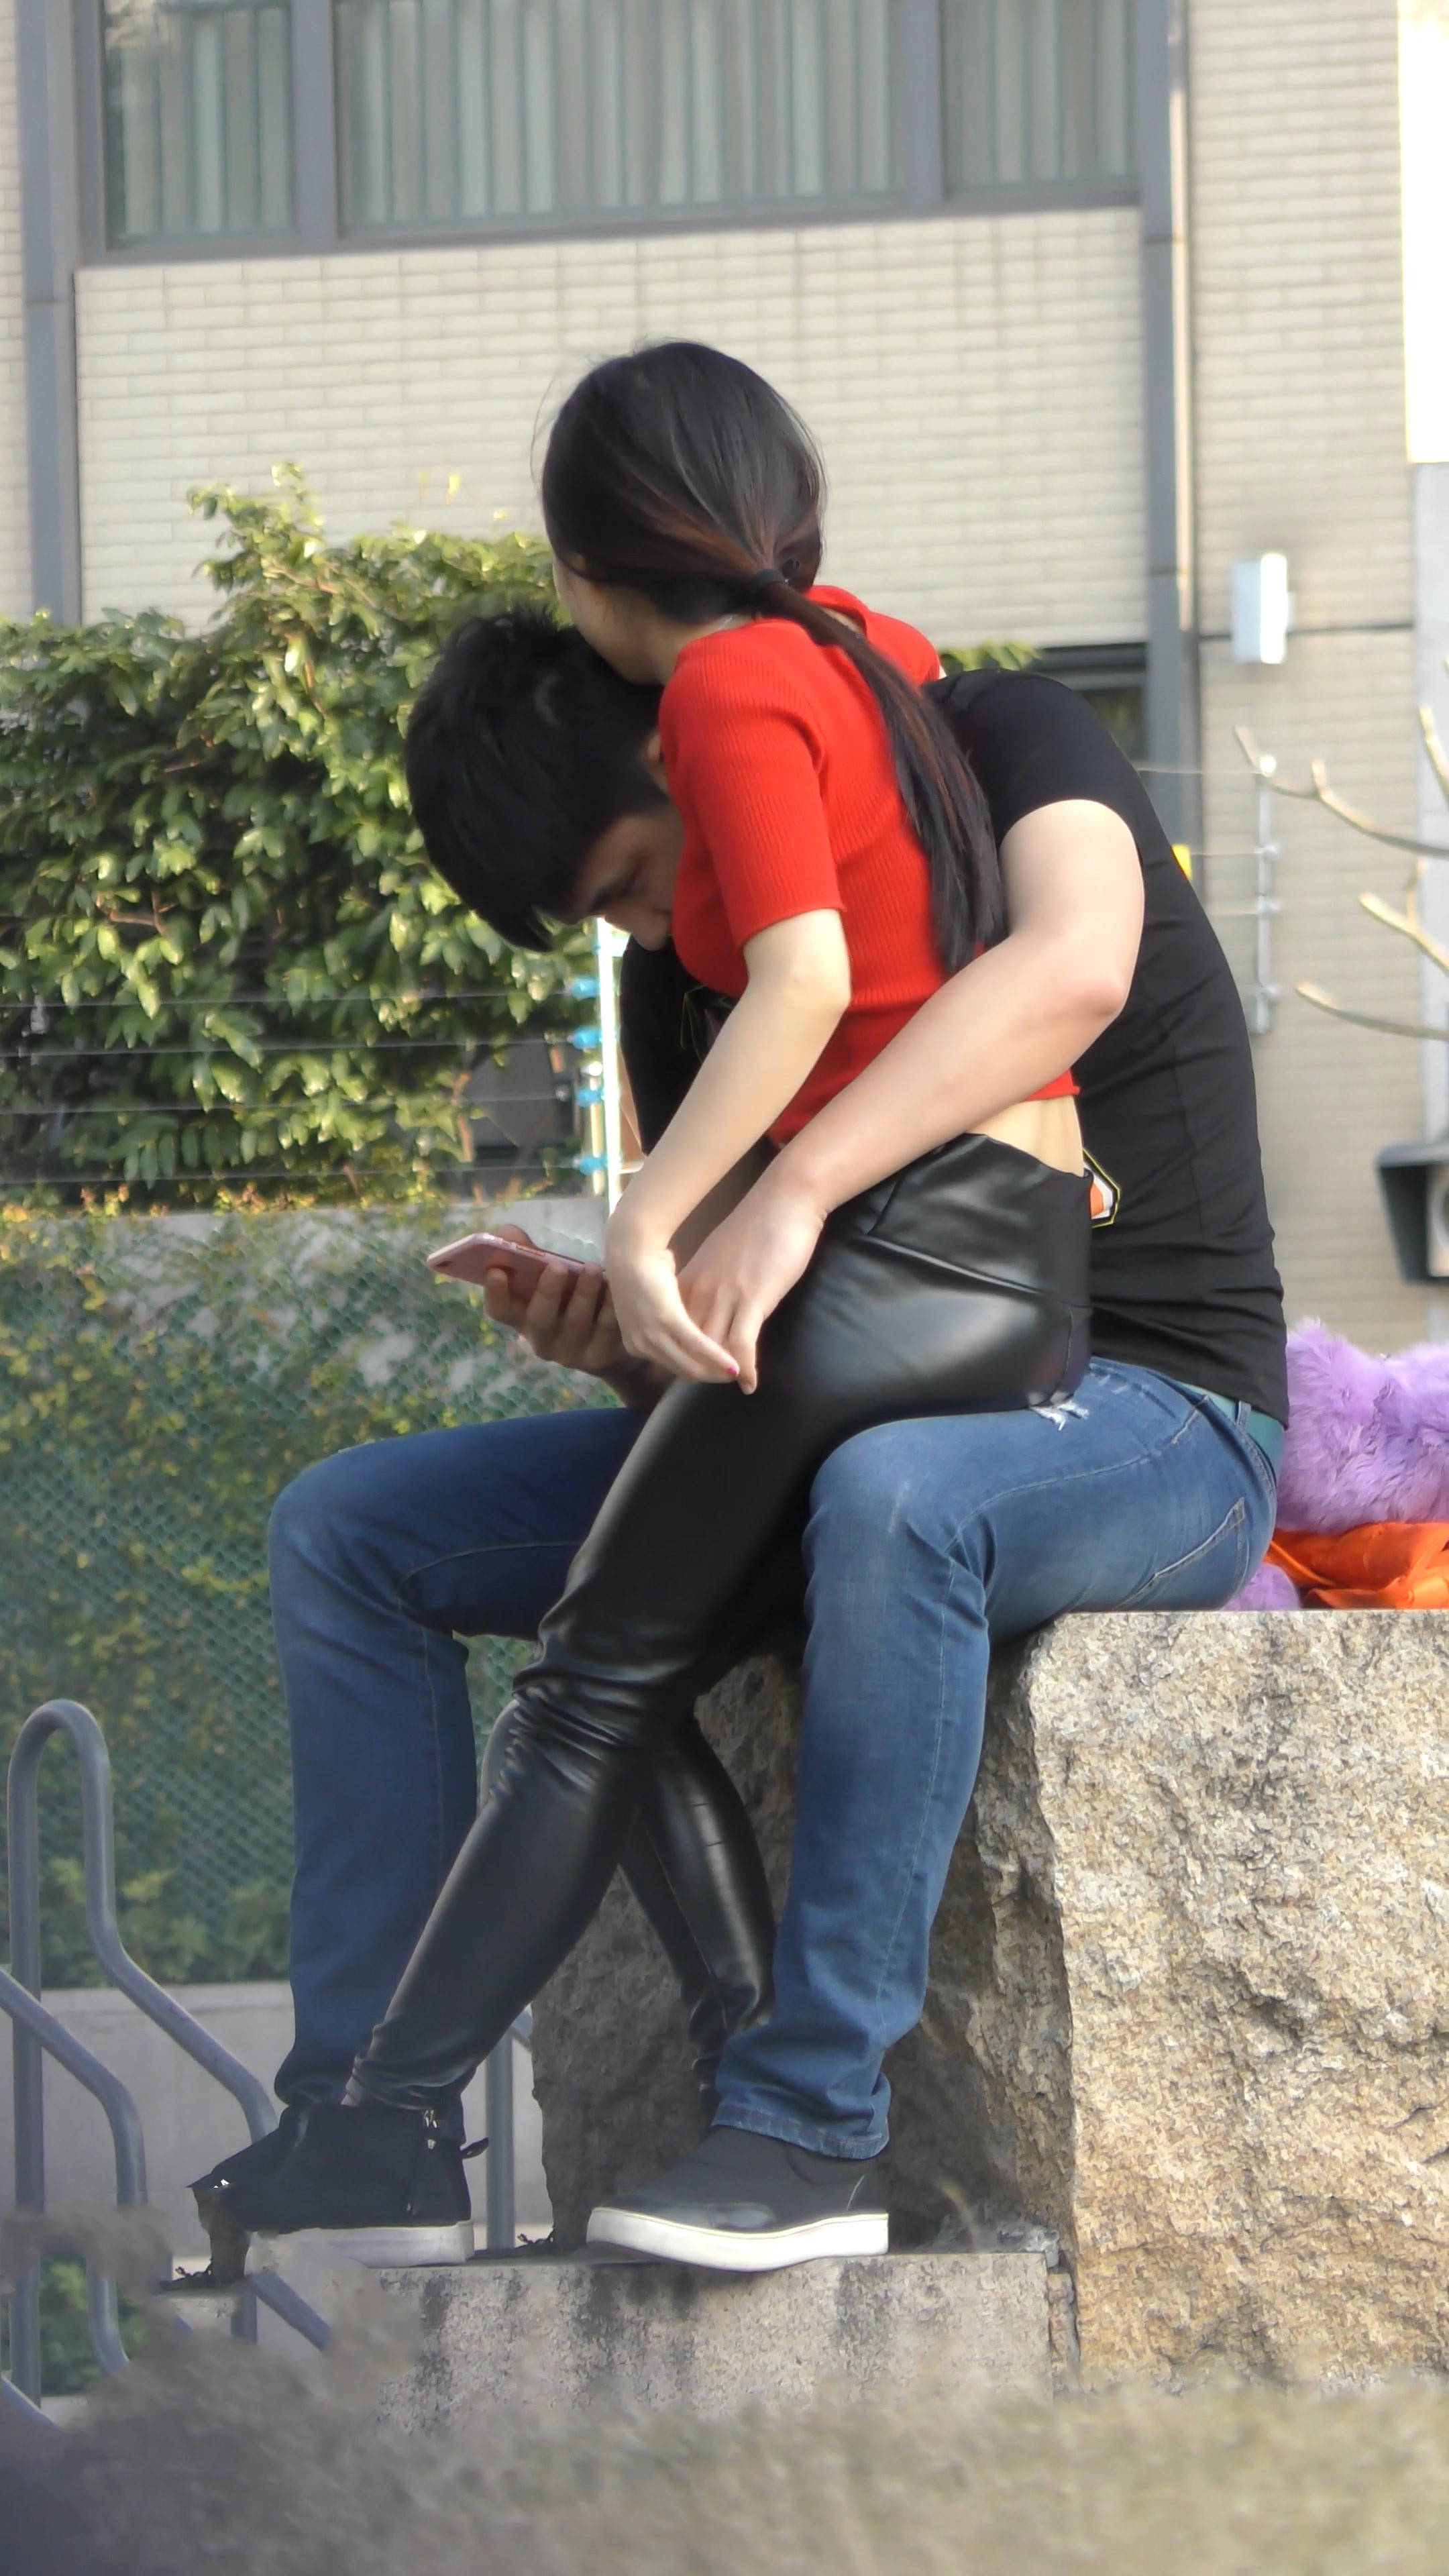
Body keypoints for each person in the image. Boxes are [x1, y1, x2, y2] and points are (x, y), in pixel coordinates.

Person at [197, 402, 1283, 2279]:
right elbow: (742, 1338)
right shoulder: (689, 968)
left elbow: (1073, 968)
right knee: (353, 1533)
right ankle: (367, 2124)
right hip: (841, 1411)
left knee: (899, 1500)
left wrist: (793, 1194)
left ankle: (805, 2124)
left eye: (640, 868)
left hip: (1151, 1411)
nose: (656, 923)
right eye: (613, 918)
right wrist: (620, 1335)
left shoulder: (1001, 738)